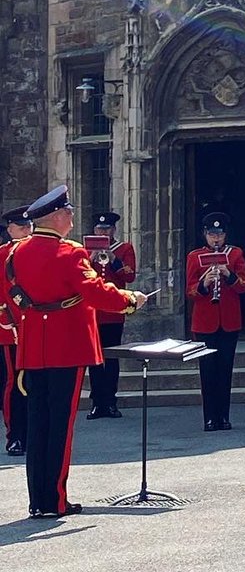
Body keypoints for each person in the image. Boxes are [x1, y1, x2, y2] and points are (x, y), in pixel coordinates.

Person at [9, 186, 146, 517]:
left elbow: (13, 296)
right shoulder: (70, 253)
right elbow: (95, 292)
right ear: (56, 218)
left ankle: (37, 500)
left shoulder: (17, 253)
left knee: (38, 423)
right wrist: (130, 300)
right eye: (68, 212)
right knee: (60, 426)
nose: (72, 216)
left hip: (33, 346)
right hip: (67, 345)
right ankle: (55, 500)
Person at [186, 212, 245, 432]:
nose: (216, 239)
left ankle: (224, 416)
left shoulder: (235, 254)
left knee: (225, 370)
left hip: (229, 321)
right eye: (212, 234)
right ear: (205, 234)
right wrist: (205, 284)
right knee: (207, 371)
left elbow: (243, 285)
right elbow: (191, 291)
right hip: (204, 323)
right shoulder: (195, 257)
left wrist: (228, 275)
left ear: (225, 235)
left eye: (219, 234)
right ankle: (209, 418)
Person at [85, 210, 137, 419]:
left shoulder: (124, 249)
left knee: (112, 357)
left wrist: (113, 259)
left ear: (113, 230)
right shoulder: (85, 251)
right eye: (99, 228)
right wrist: (91, 258)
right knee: (94, 359)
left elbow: (129, 275)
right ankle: (97, 402)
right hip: (92, 312)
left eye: (106, 229)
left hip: (114, 312)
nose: (103, 231)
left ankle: (111, 401)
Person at [0, 206, 31, 455]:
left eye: (28, 225)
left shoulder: (40, 251)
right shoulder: (2, 255)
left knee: (38, 384)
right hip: (13, 328)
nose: (26, 229)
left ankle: (35, 432)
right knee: (15, 383)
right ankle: (16, 434)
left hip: (40, 327)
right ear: (9, 229)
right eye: (20, 226)